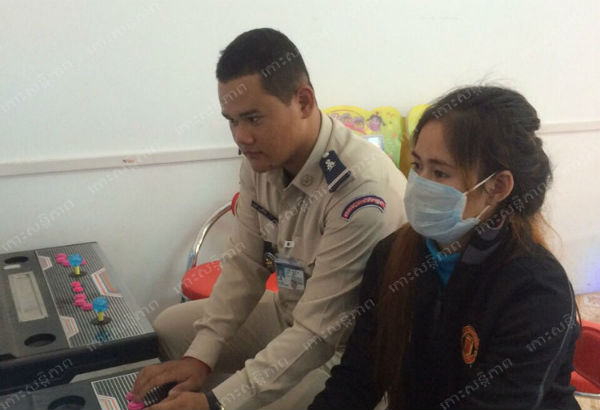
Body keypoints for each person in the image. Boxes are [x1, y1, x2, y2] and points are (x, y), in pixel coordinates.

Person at [132, 28, 407, 410]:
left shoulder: (358, 191)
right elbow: (246, 263)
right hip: (291, 313)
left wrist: (215, 403)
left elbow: (318, 332)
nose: (241, 137)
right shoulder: (261, 161)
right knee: (169, 329)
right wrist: (200, 356)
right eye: (232, 121)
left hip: (345, 353)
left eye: (253, 118)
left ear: (304, 101)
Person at [309, 86, 581, 410]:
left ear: (497, 187)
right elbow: (358, 376)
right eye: (417, 166)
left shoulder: (536, 288)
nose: (420, 183)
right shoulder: (392, 256)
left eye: (440, 172)